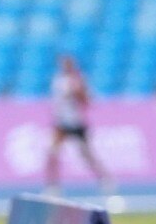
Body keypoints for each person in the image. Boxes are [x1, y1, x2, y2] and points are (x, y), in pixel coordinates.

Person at [46, 55, 115, 199]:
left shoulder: (79, 79)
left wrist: (77, 92)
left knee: (87, 155)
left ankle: (105, 179)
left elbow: (87, 101)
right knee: (52, 153)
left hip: (76, 122)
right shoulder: (58, 80)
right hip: (61, 123)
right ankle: (53, 186)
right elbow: (57, 102)